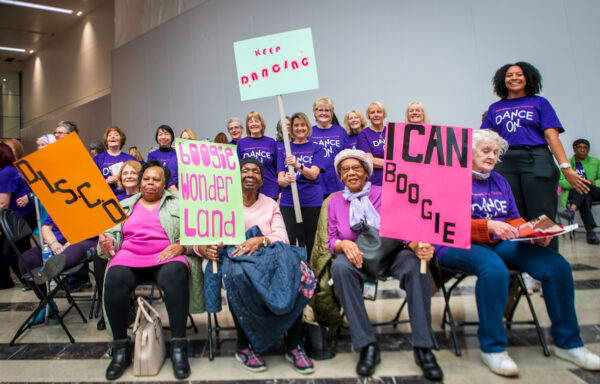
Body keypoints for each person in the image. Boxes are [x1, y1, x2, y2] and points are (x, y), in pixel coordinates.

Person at [438, 129, 600, 376]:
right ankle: (493, 348)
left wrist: (534, 234)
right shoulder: (451, 179)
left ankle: (569, 344)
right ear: (469, 153)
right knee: (494, 271)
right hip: (456, 243)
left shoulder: (499, 181)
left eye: (495, 152)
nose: (492, 157)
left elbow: (513, 219)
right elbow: (444, 223)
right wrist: (487, 226)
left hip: (498, 240)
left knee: (556, 266)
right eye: (486, 151)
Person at [328, 149, 442, 380]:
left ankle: (423, 347)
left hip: (393, 254)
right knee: (339, 268)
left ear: (367, 172)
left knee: (415, 266)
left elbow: (405, 226)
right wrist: (342, 245)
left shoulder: (387, 193)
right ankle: (367, 345)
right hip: (357, 256)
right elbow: (331, 238)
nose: (351, 173)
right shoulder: (334, 201)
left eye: (356, 168)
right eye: (345, 170)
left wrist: (416, 245)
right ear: (340, 176)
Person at [197, 157, 315, 374]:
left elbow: (281, 236)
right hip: (232, 258)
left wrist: (259, 240)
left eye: (255, 171)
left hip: (266, 255)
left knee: (298, 273)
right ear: (236, 176)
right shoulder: (220, 203)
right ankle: (244, 346)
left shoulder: (270, 204)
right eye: (245, 170)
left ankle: (294, 345)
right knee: (240, 277)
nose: (250, 174)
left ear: (262, 180)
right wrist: (204, 249)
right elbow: (199, 238)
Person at [98, 160, 199, 380]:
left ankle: (179, 347)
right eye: (147, 179)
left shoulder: (179, 203)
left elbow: (198, 234)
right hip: (129, 256)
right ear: (140, 181)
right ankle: (121, 349)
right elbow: (111, 238)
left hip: (165, 256)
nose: (150, 183)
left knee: (175, 274)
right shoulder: (125, 205)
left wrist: (183, 246)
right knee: (114, 276)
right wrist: (108, 245)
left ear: (164, 184)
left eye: (156, 179)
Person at [481, 61, 589, 250]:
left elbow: (551, 135)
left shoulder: (539, 103)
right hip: (505, 164)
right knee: (514, 218)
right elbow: (484, 140)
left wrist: (566, 167)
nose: (514, 78)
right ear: (502, 80)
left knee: (542, 218)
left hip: (536, 160)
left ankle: (548, 266)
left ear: (528, 78)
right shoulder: (494, 108)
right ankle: (523, 270)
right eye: (509, 75)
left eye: (519, 74)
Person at [19, 216, 98, 324]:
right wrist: (54, 244)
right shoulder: (59, 202)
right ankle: (46, 302)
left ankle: (46, 271)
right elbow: (46, 227)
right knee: (26, 260)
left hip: (86, 239)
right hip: (58, 241)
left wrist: (72, 241)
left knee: (70, 254)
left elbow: (103, 226)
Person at [93, 160, 141, 331]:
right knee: (99, 258)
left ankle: (127, 304)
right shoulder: (114, 199)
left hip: (135, 243)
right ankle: (107, 307)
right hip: (115, 241)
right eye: (125, 173)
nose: (129, 176)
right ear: (120, 177)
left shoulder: (145, 197)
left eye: (133, 173)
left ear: (140, 176)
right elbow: (106, 225)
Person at [277, 112, 326, 259]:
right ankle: (294, 271)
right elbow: (280, 179)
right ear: (291, 128)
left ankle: (312, 273)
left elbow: (314, 174)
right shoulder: (284, 149)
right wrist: (286, 180)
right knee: (289, 238)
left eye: (302, 125)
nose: (299, 128)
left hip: (311, 200)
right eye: (296, 125)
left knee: (311, 239)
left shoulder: (317, 148)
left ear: (308, 127)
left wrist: (297, 165)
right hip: (288, 201)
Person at [0, 143, 36, 289]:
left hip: (21, 216)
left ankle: (29, 281)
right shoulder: (8, 170)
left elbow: (3, 203)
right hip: (19, 216)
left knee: (10, 251)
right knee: (23, 249)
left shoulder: (7, 172)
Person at [558, 139, 600, 244]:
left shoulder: (596, 162)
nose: (582, 150)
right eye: (580, 147)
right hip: (578, 193)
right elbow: (562, 182)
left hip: (595, 191)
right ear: (574, 149)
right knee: (583, 193)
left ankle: (571, 209)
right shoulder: (567, 164)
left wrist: (593, 182)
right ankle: (590, 232)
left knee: (583, 185)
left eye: (585, 148)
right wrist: (576, 183)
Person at [308, 97, 348, 196]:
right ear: (314, 112)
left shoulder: (340, 131)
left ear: (331, 113)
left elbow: (348, 156)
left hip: (338, 182)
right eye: (320, 110)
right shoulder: (309, 133)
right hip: (316, 184)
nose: (324, 113)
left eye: (327, 110)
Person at [236, 111, 279, 199]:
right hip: (248, 190)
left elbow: (278, 168)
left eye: (256, 121)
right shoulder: (241, 143)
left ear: (262, 124)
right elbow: (237, 168)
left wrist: (281, 190)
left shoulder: (271, 142)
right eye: (251, 122)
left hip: (270, 190)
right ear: (248, 125)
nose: (254, 124)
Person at [92, 126, 136, 198]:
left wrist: (121, 180)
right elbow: (92, 181)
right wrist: (105, 182)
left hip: (126, 198)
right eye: (109, 135)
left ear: (121, 139)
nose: (113, 137)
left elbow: (137, 180)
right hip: (104, 198)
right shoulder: (98, 159)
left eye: (116, 135)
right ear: (106, 141)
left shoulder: (130, 159)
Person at [357, 101, 387, 186]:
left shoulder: (392, 131)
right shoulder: (363, 134)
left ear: (383, 115)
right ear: (369, 116)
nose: (376, 115)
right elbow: (370, 160)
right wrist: (394, 164)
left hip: (394, 181)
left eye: (379, 112)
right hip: (375, 183)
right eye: (372, 112)